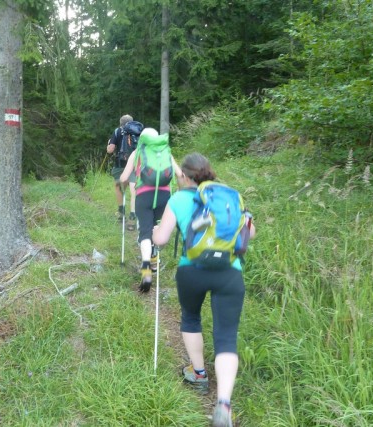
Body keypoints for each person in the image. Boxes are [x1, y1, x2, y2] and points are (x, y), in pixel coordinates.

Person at [152, 152, 256, 427]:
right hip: (229, 273)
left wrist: (154, 232)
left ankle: (198, 374)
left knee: (190, 317)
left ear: (184, 176)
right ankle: (223, 404)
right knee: (226, 336)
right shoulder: (228, 196)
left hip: (192, 270)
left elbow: (161, 239)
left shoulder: (178, 199)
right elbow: (250, 232)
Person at [119, 128, 182, 293]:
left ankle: (146, 266)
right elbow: (180, 174)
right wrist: (181, 192)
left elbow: (124, 178)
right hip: (164, 196)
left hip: (143, 195)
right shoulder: (166, 151)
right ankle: (154, 258)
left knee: (145, 230)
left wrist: (123, 187)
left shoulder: (138, 152)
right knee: (157, 227)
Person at [107, 114, 138, 231]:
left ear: (120, 123)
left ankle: (121, 213)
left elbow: (110, 150)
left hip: (121, 164)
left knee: (119, 186)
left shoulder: (118, 131)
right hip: (135, 164)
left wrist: (108, 143)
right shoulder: (138, 131)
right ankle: (133, 216)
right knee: (134, 189)